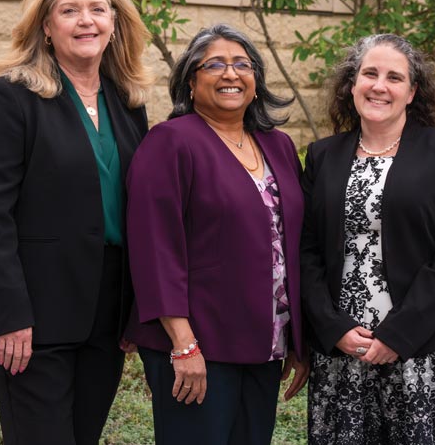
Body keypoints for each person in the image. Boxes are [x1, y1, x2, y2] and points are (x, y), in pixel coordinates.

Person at [0, 0, 152, 445]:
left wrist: (137, 307)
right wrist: (9, 313)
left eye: (97, 9)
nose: (85, 20)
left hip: (107, 313)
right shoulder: (11, 97)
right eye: (69, 11)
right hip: (34, 313)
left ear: (115, 23)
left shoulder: (128, 103)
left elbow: (141, 212)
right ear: (46, 27)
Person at [124, 23, 309, 445]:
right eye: (215, 65)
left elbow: (294, 244)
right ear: (191, 82)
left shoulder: (277, 145)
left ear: (256, 82)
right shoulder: (170, 142)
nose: (231, 74)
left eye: (242, 64)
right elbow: (155, 249)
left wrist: (298, 336)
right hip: (198, 345)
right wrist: (184, 344)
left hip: (264, 344)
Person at [301, 34, 435, 444]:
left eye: (394, 77)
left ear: (412, 91)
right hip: (344, 353)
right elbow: (306, 251)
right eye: (369, 73)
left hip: (424, 349)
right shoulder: (323, 156)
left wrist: (396, 335)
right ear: (352, 85)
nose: (379, 86)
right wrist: (334, 328)